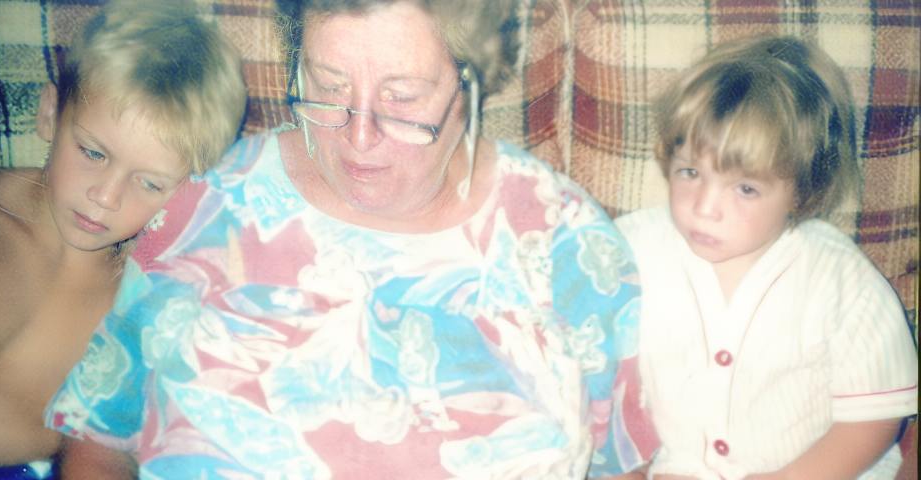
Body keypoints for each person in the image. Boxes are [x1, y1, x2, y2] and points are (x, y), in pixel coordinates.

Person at [44, 0, 659, 478]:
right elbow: (97, 446)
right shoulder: (204, 203)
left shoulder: (568, 243)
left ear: (472, 83)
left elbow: (621, 467)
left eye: (402, 97)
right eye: (329, 85)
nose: (358, 137)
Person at [0, 0, 247, 477]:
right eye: (92, 152)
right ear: (49, 113)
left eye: (149, 183)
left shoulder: (156, 283)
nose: (105, 197)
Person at [615, 34, 918, 479]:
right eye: (690, 172)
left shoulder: (841, 280)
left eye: (745, 188)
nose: (704, 206)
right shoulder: (627, 249)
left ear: (803, 190)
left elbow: (875, 417)